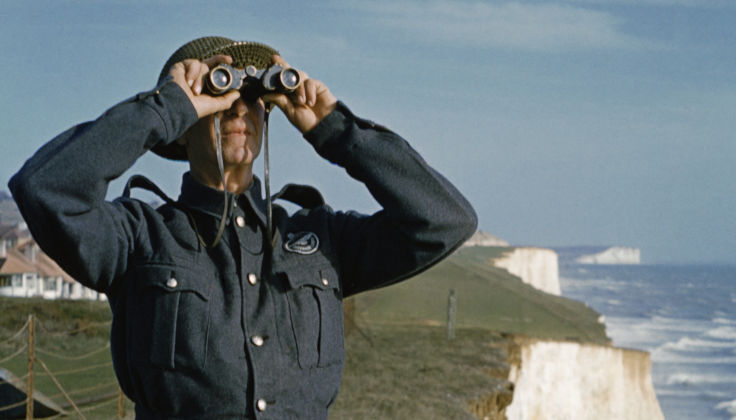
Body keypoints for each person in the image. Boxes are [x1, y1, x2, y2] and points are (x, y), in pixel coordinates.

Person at [9, 36, 477, 419]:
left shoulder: (320, 241)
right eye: (218, 96)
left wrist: (335, 130)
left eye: (252, 98)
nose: (237, 109)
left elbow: (444, 221)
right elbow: (44, 189)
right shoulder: (139, 238)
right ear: (183, 126)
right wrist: (163, 109)